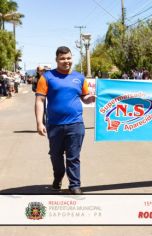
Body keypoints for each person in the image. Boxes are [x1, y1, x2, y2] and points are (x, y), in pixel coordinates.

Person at [35, 46, 95, 194]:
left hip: (75, 124)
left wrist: (90, 99)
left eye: (68, 58)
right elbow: (40, 101)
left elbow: (84, 97)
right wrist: (39, 122)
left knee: (73, 157)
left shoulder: (80, 78)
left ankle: (75, 186)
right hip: (54, 125)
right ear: (56, 59)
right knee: (55, 156)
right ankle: (58, 177)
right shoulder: (47, 77)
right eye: (62, 58)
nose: (66, 61)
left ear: (71, 58)